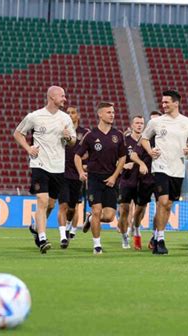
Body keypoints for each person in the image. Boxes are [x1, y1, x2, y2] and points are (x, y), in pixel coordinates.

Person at [13, 86, 76, 254]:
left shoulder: (65, 119)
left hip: (58, 167)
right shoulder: (34, 116)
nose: (65, 99)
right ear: (52, 97)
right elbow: (18, 133)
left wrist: (68, 137)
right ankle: (42, 238)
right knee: (41, 201)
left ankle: (35, 227)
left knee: (50, 204)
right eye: (62, 96)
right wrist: (28, 148)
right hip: (39, 165)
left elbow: (73, 142)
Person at [140, 90, 188, 255]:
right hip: (160, 167)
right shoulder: (157, 122)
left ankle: (156, 235)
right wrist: (150, 151)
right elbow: (144, 138)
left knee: (169, 204)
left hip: (178, 169)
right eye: (163, 102)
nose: (163, 105)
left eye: (167, 102)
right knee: (163, 202)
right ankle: (161, 239)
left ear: (176, 103)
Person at [75, 102, 126, 254]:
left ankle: (90, 220)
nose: (112, 115)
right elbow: (77, 156)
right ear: (100, 114)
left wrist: (114, 176)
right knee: (97, 210)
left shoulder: (118, 135)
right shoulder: (91, 136)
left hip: (111, 179)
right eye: (109, 112)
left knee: (109, 217)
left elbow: (123, 158)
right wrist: (80, 172)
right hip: (94, 179)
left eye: (113, 112)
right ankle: (97, 245)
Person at [129, 111, 163, 250]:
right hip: (146, 178)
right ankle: (136, 231)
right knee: (140, 209)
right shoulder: (145, 139)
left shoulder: (167, 138)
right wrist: (142, 164)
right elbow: (133, 155)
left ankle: (155, 237)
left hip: (162, 176)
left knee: (161, 207)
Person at [57, 106, 89, 248]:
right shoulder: (60, 131)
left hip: (77, 175)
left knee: (72, 208)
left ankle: (70, 226)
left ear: (78, 116)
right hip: (61, 172)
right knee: (63, 205)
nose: (70, 115)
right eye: (68, 112)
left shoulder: (85, 133)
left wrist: (86, 165)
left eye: (73, 112)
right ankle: (63, 236)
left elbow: (91, 152)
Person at [118, 115, 144, 249]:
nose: (139, 125)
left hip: (143, 181)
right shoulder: (124, 141)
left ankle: (136, 229)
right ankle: (124, 238)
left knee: (140, 210)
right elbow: (114, 159)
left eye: (141, 123)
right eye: (137, 123)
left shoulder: (147, 141)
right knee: (124, 210)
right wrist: (122, 165)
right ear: (132, 125)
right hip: (127, 181)